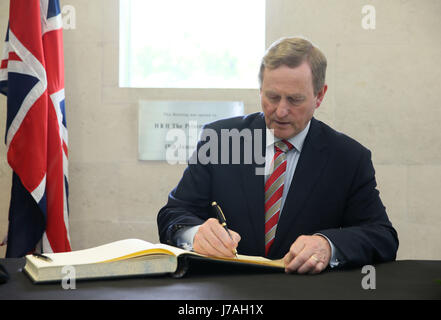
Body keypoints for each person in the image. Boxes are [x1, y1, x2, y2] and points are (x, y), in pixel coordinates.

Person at [157, 36, 399, 274]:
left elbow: (382, 236)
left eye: (295, 99)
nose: (281, 111)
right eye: (272, 97)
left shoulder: (348, 158)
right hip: (228, 291)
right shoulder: (220, 140)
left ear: (320, 95)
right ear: (260, 89)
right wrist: (195, 234)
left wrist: (328, 245)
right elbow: (173, 214)